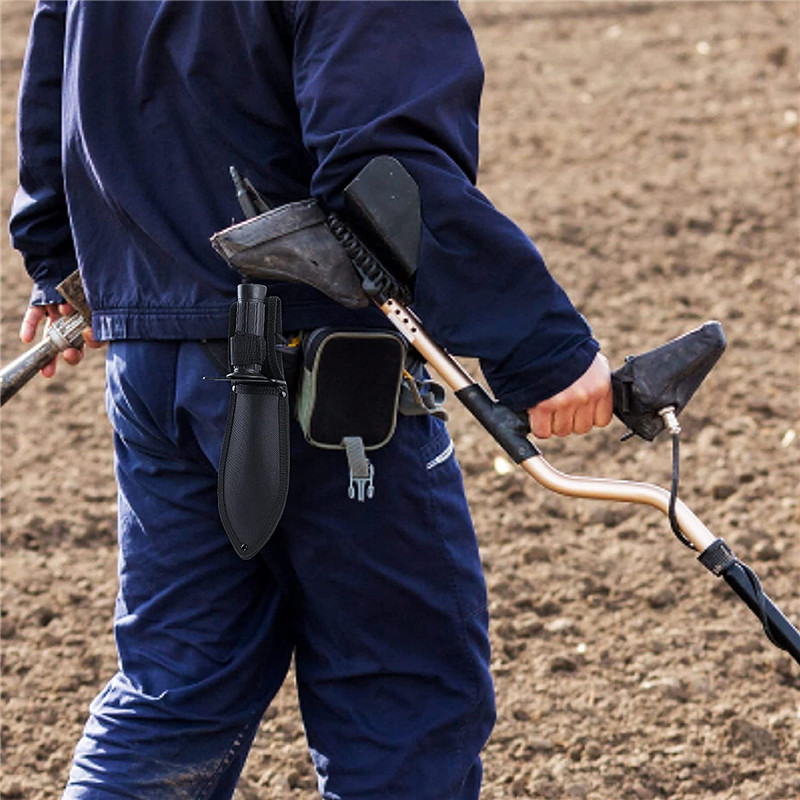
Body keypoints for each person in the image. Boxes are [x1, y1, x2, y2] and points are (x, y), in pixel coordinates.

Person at [11, 2, 613, 797]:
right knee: (400, 693)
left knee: (176, 692)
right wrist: (540, 349)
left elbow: (57, 66)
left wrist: (59, 260)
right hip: (316, 371)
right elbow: (382, 166)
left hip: (155, 361)